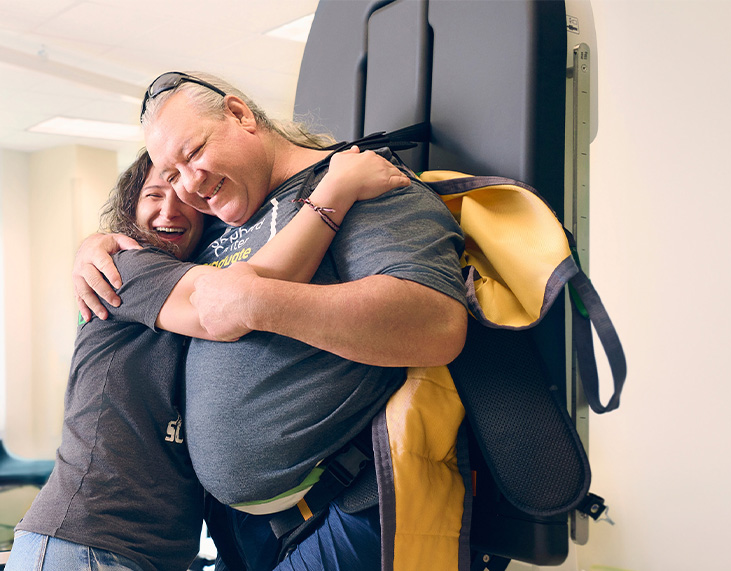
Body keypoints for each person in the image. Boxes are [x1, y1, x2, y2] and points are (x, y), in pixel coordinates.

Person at [73, 71, 468, 570]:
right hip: (237, 532)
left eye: (192, 154)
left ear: (240, 115)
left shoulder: (361, 183)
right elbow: (164, 251)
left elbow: (435, 323)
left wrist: (258, 302)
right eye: (170, 175)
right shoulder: (222, 212)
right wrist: (99, 242)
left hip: (334, 508)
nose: (188, 187)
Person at [8, 145, 408, 571]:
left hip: (149, 552)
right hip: (88, 542)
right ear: (130, 208)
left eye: (184, 197)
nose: (170, 210)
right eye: (154, 195)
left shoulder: (191, 270)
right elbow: (242, 302)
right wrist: (338, 188)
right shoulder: (124, 267)